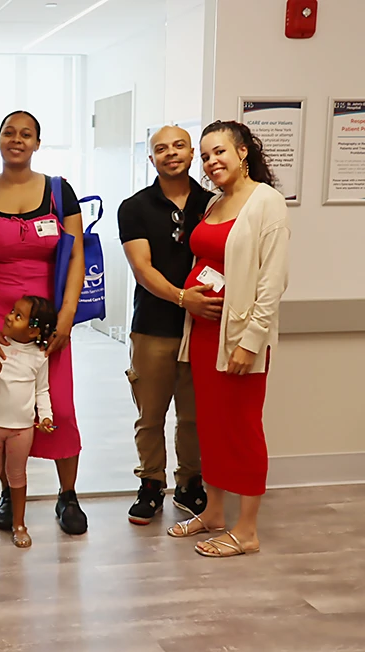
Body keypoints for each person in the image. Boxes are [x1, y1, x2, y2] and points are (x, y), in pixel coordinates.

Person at [0, 110, 89, 536]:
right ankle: (3, 493)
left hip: (47, 321)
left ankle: (67, 495)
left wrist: (67, 317)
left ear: (37, 143)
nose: (17, 139)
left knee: (60, 408)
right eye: (9, 133)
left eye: (26, 134)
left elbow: (75, 259)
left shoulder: (59, 192)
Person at [169, 121, 289, 557]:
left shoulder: (267, 203)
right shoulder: (217, 203)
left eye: (218, 151)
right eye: (205, 156)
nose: (211, 162)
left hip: (238, 338)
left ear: (242, 152)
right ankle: (214, 513)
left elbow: (272, 283)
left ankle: (248, 530)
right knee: (211, 427)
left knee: (242, 429)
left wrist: (250, 341)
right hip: (204, 334)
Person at [118, 125, 219, 526]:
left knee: (194, 415)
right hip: (154, 326)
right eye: (161, 149)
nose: (171, 153)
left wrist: (198, 303)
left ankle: (190, 483)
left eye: (179, 146)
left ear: (192, 153)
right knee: (151, 414)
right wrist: (182, 298)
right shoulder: (135, 207)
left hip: (203, 327)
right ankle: (150, 484)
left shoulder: (214, 204)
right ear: (151, 158)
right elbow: (142, 269)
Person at [0, 296, 57, 548]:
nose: (8, 316)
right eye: (11, 311)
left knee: (17, 477)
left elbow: (42, 390)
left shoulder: (40, 357)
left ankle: (19, 525)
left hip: (22, 429)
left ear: (34, 330)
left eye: (18, 316)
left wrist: (46, 415)